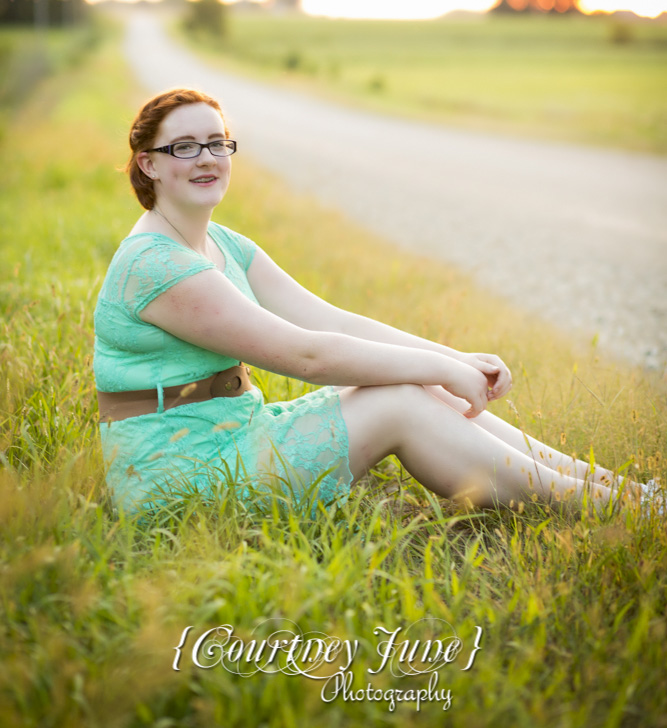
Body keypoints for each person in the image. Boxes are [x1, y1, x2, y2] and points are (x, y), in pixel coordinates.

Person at [94, 87, 647, 519]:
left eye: (218, 142)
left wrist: (453, 359)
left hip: (235, 433)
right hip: (179, 476)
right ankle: (608, 508)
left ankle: (611, 487)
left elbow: (332, 320)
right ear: (149, 164)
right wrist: (443, 369)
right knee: (399, 400)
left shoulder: (225, 243)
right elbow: (305, 356)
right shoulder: (155, 264)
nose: (207, 157)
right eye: (185, 147)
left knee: (404, 381)